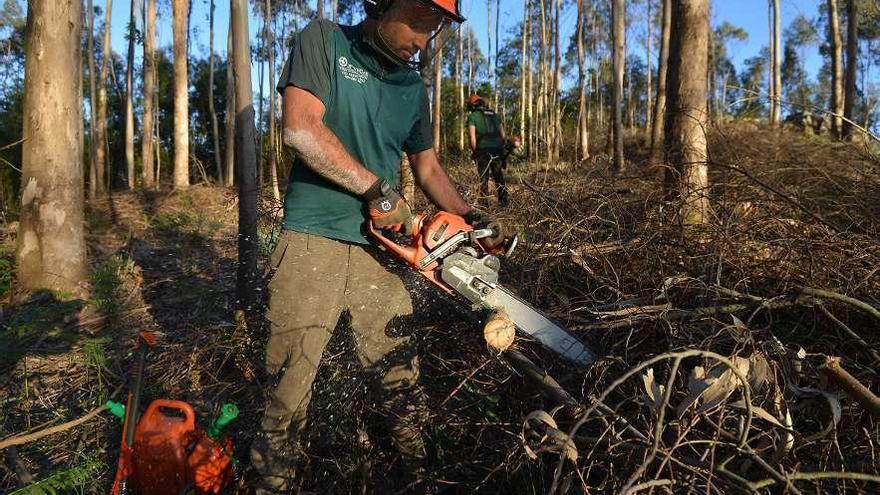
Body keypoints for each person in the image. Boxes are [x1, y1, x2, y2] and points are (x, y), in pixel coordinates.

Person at [250, 1, 508, 492]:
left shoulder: (411, 87)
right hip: (313, 237)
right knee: (289, 378)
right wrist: (377, 191)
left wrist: (473, 220)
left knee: (399, 373)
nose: (422, 38)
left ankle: (424, 474)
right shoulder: (324, 40)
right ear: (380, 5)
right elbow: (301, 129)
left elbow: (427, 168)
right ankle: (273, 481)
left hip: (383, 248)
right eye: (416, 21)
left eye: (432, 29)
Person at [467, 94, 510, 207]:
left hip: (483, 151)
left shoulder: (473, 116)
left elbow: (472, 137)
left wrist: (475, 152)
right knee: (498, 176)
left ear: (472, 106)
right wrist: (503, 150)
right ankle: (504, 203)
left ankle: (484, 206)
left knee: (484, 179)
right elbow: (503, 135)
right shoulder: (495, 115)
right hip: (497, 150)